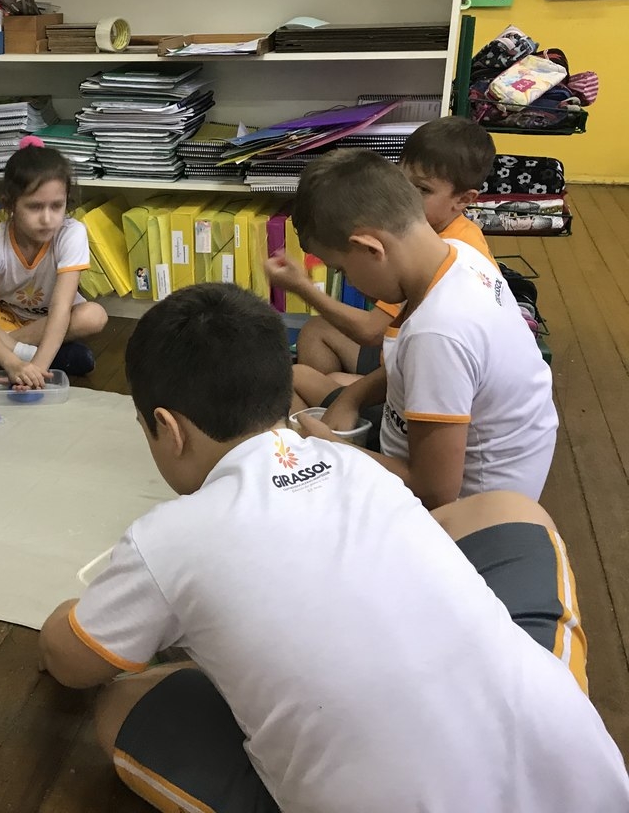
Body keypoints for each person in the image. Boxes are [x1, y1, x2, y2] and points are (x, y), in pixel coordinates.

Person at [38, 283, 628, 813]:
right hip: (586, 778)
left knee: (121, 705)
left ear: (168, 428)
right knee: (510, 511)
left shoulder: (165, 539)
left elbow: (71, 663)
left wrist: (73, 616)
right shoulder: (351, 462)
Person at [288, 149, 557, 508]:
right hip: (429, 457)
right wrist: (352, 398)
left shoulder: (438, 333)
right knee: (293, 380)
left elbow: (434, 492)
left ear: (370, 249)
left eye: (341, 269)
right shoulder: (456, 255)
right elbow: (407, 367)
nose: (348, 281)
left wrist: (333, 449)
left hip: (459, 513)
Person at [267, 116, 496, 389]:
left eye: (423, 189)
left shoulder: (436, 256)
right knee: (315, 333)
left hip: (419, 371)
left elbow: (371, 331)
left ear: (464, 200)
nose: (405, 196)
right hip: (400, 357)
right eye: (402, 182)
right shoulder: (448, 238)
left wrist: (302, 287)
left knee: (311, 381)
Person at [0, 138, 108, 385]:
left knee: (94, 315)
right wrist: (14, 364)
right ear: (10, 204)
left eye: (57, 206)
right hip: (2, 315)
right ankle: (25, 353)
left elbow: (60, 310)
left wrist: (36, 369)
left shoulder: (72, 233)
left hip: (48, 322)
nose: (47, 219)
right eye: (34, 207)